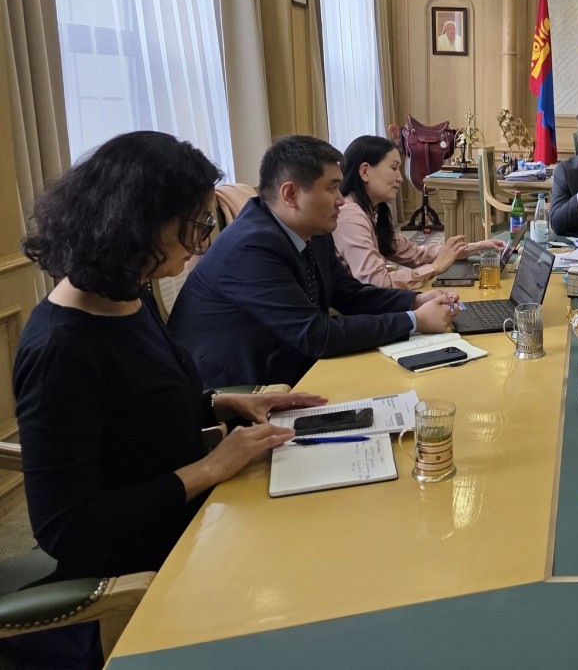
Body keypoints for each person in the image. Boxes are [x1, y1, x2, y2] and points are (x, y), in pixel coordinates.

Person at [12, 132, 325, 668]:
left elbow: (136, 408)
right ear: (139, 220)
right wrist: (209, 468)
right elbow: (68, 527)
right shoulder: (62, 349)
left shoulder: (126, 294)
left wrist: (219, 404)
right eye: (196, 225)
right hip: (136, 569)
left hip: (191, 525)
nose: (201, 242)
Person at [170, 135, 458, 388]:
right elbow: (315, 335)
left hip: (290, 368)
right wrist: (415, 321)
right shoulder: (251, 246)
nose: (341, 200)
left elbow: (349, 294)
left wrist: (414, 301)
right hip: (238, 392)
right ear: (290, 194)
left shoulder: (313, 230)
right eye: (331, 188)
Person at [333, 135, 503, 288]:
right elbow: (377, 283)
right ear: (365, 172)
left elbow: (415, 254)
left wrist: (475, 247)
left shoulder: (370, 212)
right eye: (394, 168)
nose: (400, 178)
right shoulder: (350, 216)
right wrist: (435, 268)